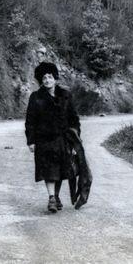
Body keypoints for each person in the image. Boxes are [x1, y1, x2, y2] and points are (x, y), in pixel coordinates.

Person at [25, 62, 81, 213]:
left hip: (63, 140)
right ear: (41, 81)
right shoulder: (36, 97)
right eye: (44, 78)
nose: (47, 80)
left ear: (55, 78)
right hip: (44, 140)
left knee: (61, 170)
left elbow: (74, 119)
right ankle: (51, 198)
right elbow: (30, 121)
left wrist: (76, 141)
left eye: (50, 77)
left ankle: (55, 196)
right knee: (49, 170)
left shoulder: (66, 95)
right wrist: (31, 141)